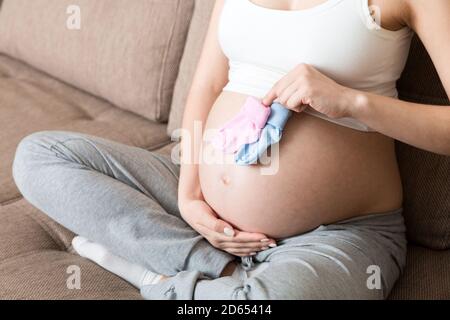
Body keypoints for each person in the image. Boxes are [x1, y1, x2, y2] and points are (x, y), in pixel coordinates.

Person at [12, 0, 450, 300]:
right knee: (39, 156)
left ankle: (156, 278)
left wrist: (355, 102)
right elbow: (206, 86)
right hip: (205, 206)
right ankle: (218, 271)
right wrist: (191, 197)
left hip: (339, 232)